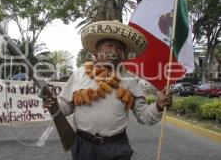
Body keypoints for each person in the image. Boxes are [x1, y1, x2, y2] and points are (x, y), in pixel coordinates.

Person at [44, 20, 173, 160]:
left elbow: (143, 116)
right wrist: (53, 102)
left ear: (123, 54)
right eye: (109, 45)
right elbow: (65, 107)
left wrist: (158, 106)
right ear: (96, 51)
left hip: (116, 147)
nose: (114, 51)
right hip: (83, 146)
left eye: (119, 48)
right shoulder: (79, 74)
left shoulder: (130, 80)